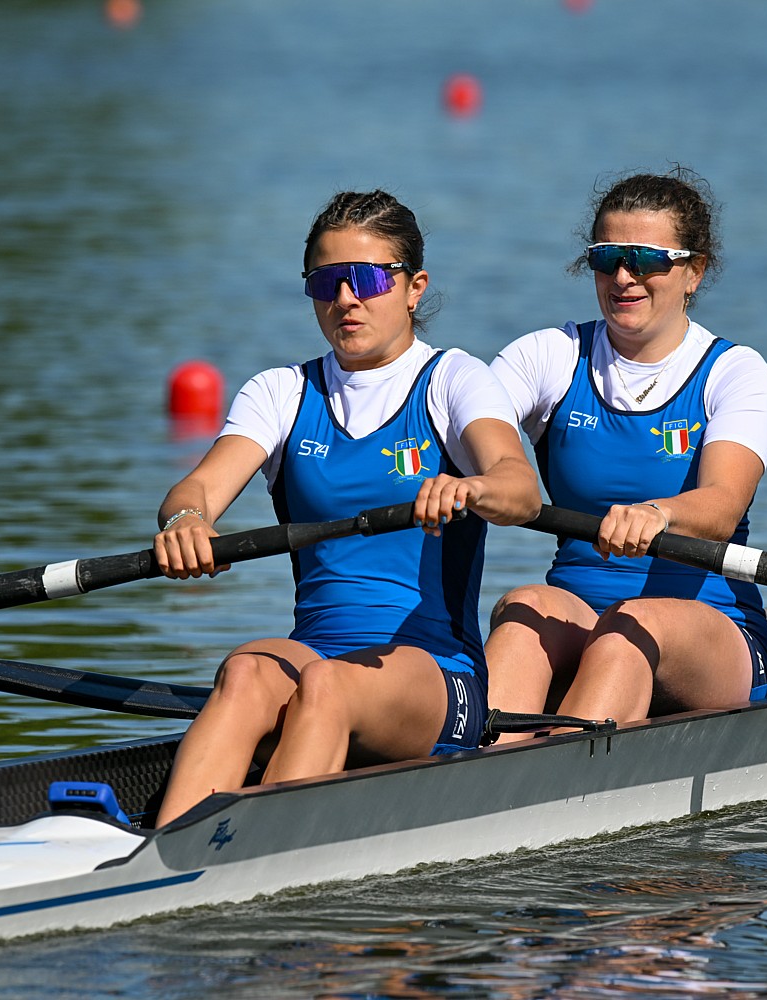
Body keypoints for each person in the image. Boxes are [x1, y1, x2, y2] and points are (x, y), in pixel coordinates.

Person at [152, 190, 540, 824]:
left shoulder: (453, 379)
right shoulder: (281, 391)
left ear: (414, 288)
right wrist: (185, 522)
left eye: (367, 279)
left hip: (435, 673)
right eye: (325, 282)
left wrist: (472, 488)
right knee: (246, 670)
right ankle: (166, 854)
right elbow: (194, 491)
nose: (345, 299)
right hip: (317, 652)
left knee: (327, 686)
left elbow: (520, 488)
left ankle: (252, 852)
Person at [485, 168, 767, 737]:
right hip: (578, 610)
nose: (623, 277)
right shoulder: (548, 356)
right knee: (522, 608)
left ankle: (558, 773)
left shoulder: (735, 372)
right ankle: (476, 768)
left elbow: (721, 506)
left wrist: (658, 513)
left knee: (628, 627)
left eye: (646, 260)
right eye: (607, 258)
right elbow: (467, 434)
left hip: (712, 630)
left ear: (694, 271)